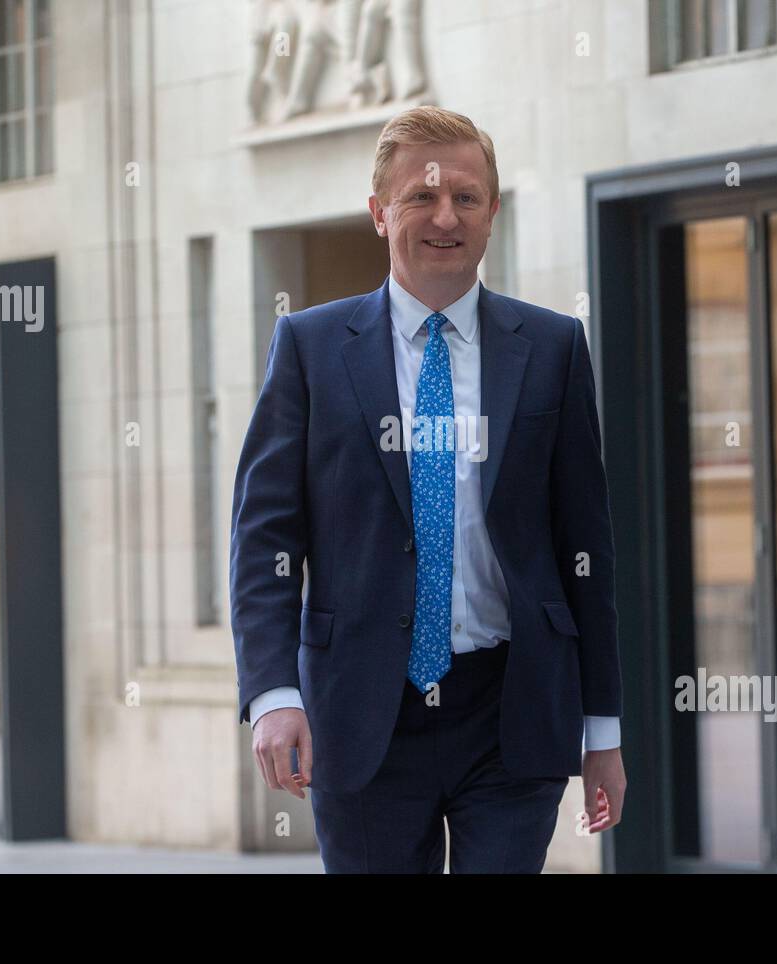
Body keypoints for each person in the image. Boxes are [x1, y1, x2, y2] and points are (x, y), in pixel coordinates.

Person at [230, 105, 625, 873]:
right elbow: (264, 537)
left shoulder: (552, 348)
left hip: (511, 713)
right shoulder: (310, 349)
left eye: (466, 198)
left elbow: (588, 549)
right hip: (359, 717)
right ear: (380, 213)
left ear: (492, 213)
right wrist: (273, 692)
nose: (446, 216)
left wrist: (603, 731)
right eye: (422, 196)